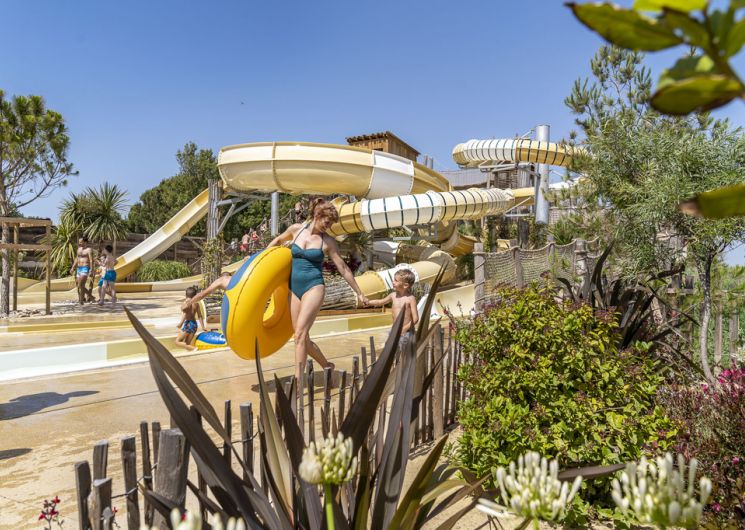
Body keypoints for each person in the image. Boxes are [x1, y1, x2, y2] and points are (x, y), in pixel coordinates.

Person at [267, 198, 369, 382]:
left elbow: (343, 268)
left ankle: (298, 383)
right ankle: (327, 365)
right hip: (294, 289)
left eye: (330, 224)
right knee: (301, 337)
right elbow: (278, 240)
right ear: (317, 215)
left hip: (313, 287)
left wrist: (359, 292)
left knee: (300, 335)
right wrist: (260, 259)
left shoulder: (327, 241)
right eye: (327, 222)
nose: (328, 226)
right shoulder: (296, 230)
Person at [365, 268, 419, 352]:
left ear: (405, 285)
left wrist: (404, 329)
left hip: (406, 332)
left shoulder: (411, 299)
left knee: (403, 353)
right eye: (394, 280)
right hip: (394, 330)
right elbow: (380, 302)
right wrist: (369, 302)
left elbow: (415, 319)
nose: (393, 282)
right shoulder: (393, 295)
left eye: (396, 281)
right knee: (391, 352)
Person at [176, 286, 206, 351]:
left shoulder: (186, 303)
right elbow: (200, 316)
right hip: (194, 325)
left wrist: (180, 323)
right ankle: (193, 350)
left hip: (188, 324)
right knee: (187, 343)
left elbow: (184, 312)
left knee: (178, 341)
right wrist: (203, 327)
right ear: (195, 296)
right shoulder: (196, 304)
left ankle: (195, 348)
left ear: (186, 295)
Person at [70, 237, 94, 305]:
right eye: (79, 242)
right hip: (79, 268)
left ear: (85, 242)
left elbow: (91, 260)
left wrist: (91, 269)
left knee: (81, 284)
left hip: (85, 268)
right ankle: (82, 301)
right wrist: (73, 267)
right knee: (80, 285)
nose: (79, 243)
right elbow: (77, 258)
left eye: (81, 242)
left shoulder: (89, 250)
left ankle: (89, 296)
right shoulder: (79, 249)